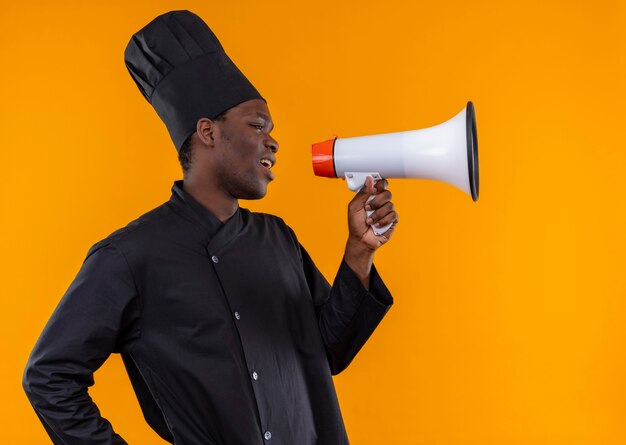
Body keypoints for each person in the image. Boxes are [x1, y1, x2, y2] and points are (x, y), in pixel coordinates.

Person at [22, 10, 398, 445]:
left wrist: (359, 252)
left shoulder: (279, 240)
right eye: (257, 125)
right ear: (207, 131)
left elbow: (329, 351)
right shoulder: (130, 257)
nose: (273, 141)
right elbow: (49, 377)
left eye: (272, 130)